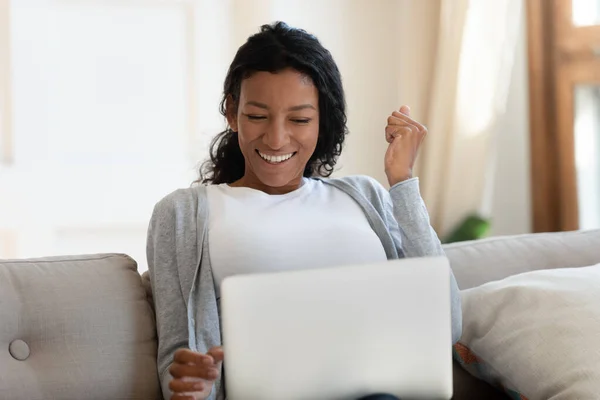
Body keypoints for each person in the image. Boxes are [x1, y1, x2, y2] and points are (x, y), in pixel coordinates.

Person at [147, 21, 462, 400]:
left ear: (322, 120)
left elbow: (447, 322)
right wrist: (192, 387)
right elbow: (178, 358)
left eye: (299, 119)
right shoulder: (182, 215)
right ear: (232, 113)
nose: (277, 138)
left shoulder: (366, 196)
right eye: (257, 116)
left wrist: (403, 183)